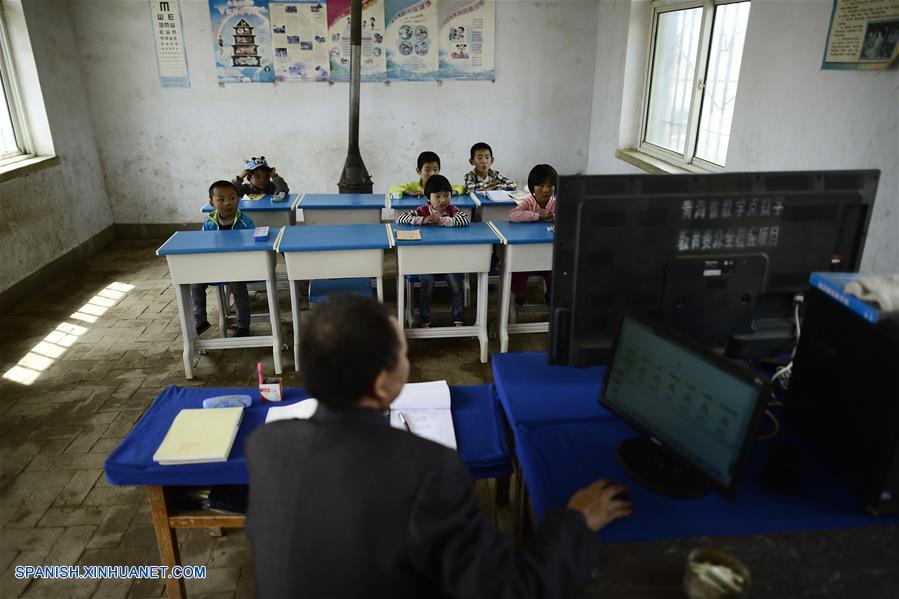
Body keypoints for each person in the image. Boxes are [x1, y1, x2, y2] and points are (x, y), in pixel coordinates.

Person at [246, 294, 632, 598]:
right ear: (382, 384)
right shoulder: (428, 470)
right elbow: (512, 589)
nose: (408, 363)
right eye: (403, 356)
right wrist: (575, 523)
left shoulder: (265, 446)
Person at [396, 175, 470, 327]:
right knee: (427, 283)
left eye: (447, 196)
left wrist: (442, 220)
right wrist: (422, 220)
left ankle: (458, 318)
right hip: (425, 260)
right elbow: (401, 218)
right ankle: (424, 319)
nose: (443, 200)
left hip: (448, 260)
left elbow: (465, 220)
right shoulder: (422, 211)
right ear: (428, 197)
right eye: (437, 196)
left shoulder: (452, 210)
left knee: (456, 284)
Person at [191, 180, 255, 337]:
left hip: (238, 266)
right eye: (221, 199)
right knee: (195, 284)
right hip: (215, 266)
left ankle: (243, 325)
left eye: (232, 198)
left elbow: (252, 245)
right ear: (211, 203)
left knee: (238, 286)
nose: (228, 203)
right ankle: (200, 321)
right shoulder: (209, 223)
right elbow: (203, 244)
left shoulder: (245, 222)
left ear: (238, 199)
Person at [509, 164, 557, 305]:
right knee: (520, 270)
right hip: (528, 251)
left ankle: (551, 295)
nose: (546, 190)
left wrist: (553, 216)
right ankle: (519, 292)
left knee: (555, 273)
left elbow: (569, 215)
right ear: (532, 187)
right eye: (541, 185)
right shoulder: (529, 202)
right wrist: (537, 216)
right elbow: (513, 215)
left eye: (550, 185)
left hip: (549, 252)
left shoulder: (555, 203)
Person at [388, 150, 464, 197]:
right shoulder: (413, 187)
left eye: (435, 169)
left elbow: (462, 188)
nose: (432, 174)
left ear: (439, 170)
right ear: (418, 171)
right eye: (427, 170)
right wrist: (409, 192)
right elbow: (392, 188)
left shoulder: (442, 186)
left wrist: (454, 192)